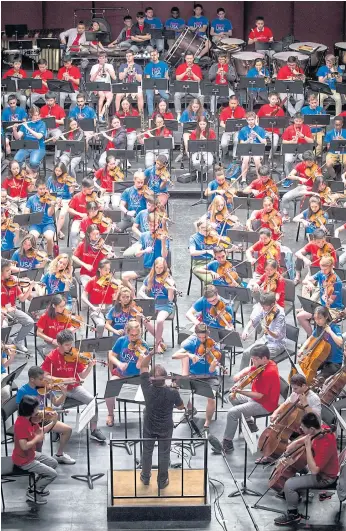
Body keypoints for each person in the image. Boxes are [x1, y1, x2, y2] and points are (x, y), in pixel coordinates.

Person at [273, 412, 339, 526]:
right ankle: (294, 495)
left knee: (289, 484)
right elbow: (308, 437)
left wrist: (308, 447)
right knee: (296, 465)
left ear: (312, 429)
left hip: (324, 477)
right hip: (318, 468)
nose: (300, 428)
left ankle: (293, 515)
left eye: (303, 427)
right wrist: (296, 443)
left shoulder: (326, 444)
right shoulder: (322, 428)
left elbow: (314, 471)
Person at [41, 329, 106, 442]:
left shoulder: (75, 355)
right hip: (59, 388)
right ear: (59, 344)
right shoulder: (51, 357)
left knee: (92, 401)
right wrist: (65, 380)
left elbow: (83, 376)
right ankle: (55, 429)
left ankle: (94, 430)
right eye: (66, 345)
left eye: (71, 344)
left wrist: (89, 366)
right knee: (56, 408)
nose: (70, 347)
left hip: (74, 387)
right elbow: (45, 376)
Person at [215, 344, 280, 453]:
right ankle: (249, 422)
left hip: (264, 404)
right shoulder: (265, 364)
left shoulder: (269, 372)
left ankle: (227, 443)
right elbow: (250, 369)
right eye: (252, 358)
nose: (253, 361)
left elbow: (259, 396)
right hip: (256, 398)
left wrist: (241, 390)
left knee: (232, 413)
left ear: (264, 358)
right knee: (233, 397)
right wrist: (240, 375)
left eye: (256, 359)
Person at [140, 346, 184, 488]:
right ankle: (161, 481)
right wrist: (175, 388)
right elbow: (180, 407)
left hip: (149, 425)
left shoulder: (146, 387)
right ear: (165, 378)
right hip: (165, 426)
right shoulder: (172, 392)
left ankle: (145, 477)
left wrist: (151, 353)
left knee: (147, 450)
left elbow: (144, 365)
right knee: (164, 453)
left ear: (151, 379)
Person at [16, 365, 76, 464]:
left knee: (67, 430)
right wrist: (38, 414)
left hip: (44, 418)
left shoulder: (44, 388)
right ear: (32, 379)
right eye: (40, 379)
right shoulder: (22, 391)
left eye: (44, 378)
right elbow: (21, 413)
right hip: (31, 422)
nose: (44, 381)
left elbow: (56, 403)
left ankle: (59, 454)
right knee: (38, 443)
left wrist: (64, 394)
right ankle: (36, 460)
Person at [12, 395, 58, 505]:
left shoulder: (30, 420)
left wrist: (53, 422)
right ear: (30, 411)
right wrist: (37, 439)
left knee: (53, 463)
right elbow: (24, 446)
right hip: (23, 460)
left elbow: (41, 431)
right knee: (52, 474)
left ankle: (35, 486)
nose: (39, 411)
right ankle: (33, 492)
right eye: (36, 409)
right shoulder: (21, 424)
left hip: (31, 454)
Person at [105, 320, 150, 426]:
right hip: (121, 375)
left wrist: (140, 359)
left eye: (136, 335)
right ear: (127, 332)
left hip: (137, 377)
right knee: (110, 386)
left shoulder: (144, 345)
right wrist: (119, 364)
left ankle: (150, 413)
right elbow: (111, 356)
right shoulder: (121, 341)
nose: (134, 338)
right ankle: (110, 414)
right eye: (131, 335)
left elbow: (141, 367)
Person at [240, 291, 286, 371]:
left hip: (277, 344)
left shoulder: (280, 314)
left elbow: (277, 335)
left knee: (255, 359)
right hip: (265, 339)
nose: (263, 309)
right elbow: (254, 319)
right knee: (246, 353)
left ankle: (254, 380)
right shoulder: (265, 309)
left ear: (272, 305)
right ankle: (241, 379)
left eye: (265, 307)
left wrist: (268, 331)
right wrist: (246, 329)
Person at [298, 256, 343, 336]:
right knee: (300, 316)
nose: (322, 271)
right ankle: (313, 338)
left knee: (320, 320)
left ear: (331, 266)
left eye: (325, 269)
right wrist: (309, 284)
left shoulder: (337, 283)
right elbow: (306, 280)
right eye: (321, 269)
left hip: (333, 309)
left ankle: (319, 338)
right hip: (321, 305)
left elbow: (329, 303)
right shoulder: (321, 273)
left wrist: (326, 292)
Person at [138, 257, 175, 353]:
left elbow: (170, 299)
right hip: (153, 304)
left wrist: (171, 288)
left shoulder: (168, 278)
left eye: (161, 268)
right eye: (157, 267)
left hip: (165, 305)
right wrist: (147, 298)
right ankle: (160, 340)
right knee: (143, 318)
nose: (159, 270)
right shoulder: (150, 277)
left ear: (164, 268)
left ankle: (157, 344)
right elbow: (140, 291)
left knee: (159, 320)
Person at [298, 306, 344, 379]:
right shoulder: (319, 327)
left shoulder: (334, 328)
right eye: (315, 318)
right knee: (303, 370)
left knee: (318, 379)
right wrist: (302, 349)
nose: (317, 321)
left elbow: (340, 343)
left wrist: (330, 331)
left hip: (334, 362)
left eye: (319, 318)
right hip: (323, 359)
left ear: (326, 317)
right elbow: (310, 338)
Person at [81, 259, 121, 338]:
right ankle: (99, 344)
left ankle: (116, 343)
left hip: (109, 307)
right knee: (101, 325)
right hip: (95, 307)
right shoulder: (92, 281)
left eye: (109, 269)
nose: (108, 272)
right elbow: (83, 296)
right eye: (105, 270)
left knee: (119, 322)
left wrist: (118, 288)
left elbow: (115, 298)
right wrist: (92, 307)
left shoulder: (111, 282)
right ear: (99, 269)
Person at [1, 259, 35, 353]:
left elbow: (22, 299)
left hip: (13, 310)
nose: (10, 273)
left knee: (30, 322)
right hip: (2, 313)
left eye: (10, 270)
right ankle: (5, 346)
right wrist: (4, 310)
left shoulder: (13, 281)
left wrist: (30, 288)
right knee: (4, 327)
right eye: (7, 271)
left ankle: (17, 341)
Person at [281, 150, 322, 221]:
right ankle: (286, 216)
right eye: (309, 162)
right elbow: (290, 176)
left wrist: (316, 178)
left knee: (306, 200)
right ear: (304, 161)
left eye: (312, 161)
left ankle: (305, 218)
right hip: (300, 188)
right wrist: (299, 178)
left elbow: (319, 182)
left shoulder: (316, 168)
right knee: (285, 197)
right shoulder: (300, 165)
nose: (311, 163)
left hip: (311, 189)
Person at [24, 178, 58, 258]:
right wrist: (26, 215)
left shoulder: (49, 199)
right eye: (40, 189)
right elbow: (26, 211)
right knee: (33, 236)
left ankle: (49, 255)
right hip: (35, 224)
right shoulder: (31, 199)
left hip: (48, 223)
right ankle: (34, 255)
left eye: (44, 188)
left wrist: (52, 205)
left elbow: (50, 214)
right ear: (36, 188)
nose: (42, 191)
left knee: (50, 237)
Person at [13, 106, 47, 179]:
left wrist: (27, 127)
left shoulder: (42, 124)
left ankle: (34, 172)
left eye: (38, 115)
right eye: (35, 115)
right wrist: (14, 130)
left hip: (38, 147)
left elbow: (39, 136)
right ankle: (31, 172)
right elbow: (17, 137)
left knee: (34, 162)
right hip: (26, 146)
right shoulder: (27, 123)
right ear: (31, 115)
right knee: (16, 160)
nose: (37, 117)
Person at [47, 162, 77, 240]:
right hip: (55, 199)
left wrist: (73, 186)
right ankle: (59, 231)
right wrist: (55, 199)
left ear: (63, 171)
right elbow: (47, 192)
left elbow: (70, 192)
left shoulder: (68, 178)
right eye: (56, 170)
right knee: (50, 213)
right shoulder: (51, 179)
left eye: (59, 171)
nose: (57, 173)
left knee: (62, 214)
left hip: (66, 199)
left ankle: (55, 234)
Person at [281, 114, 314, 185]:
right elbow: (283, 141)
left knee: (307, 160)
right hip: (291, 149)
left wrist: (304, 136)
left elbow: (311, 141)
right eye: (296, 121)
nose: (298, 123)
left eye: (300, 121)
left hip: (303, 149)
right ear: (294, 120)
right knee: (287, 161)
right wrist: (291, 142)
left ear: (302, 121)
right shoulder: (289, 128)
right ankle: (289, 178)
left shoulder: (306, 128)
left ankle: (306, 177)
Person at [238, 111, 266, 186]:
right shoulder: (243, 129)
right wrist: (248, 140)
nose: (251, 121)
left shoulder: (260, 129)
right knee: (246, 159)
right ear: (247, 120)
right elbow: (241, 143)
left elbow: (264, 143)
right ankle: (243, 179)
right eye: (249, 120)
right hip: (246, 148)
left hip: (257, 148)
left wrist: (257, 135)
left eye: (252, 119)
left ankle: (259, 179)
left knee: (257, 160)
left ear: (255, 120)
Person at [173, 52, 204, 120]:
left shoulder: (197, 67)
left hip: (194, 87)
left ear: (193, 59)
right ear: (185, 59)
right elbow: (177, 78)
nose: (189, 60)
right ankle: (178, 114)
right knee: (176, 95)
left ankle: (200, 114)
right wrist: (185, 72)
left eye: (190, 58)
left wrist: (192, 74)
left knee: (201, 96)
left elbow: (199, 80)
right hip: (182, 87)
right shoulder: (181, 67)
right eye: (188, 58)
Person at [67, 176, 96, 247]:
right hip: (78, 220)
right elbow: (69, 209)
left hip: (90, 220)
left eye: (92, 188)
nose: (91, 190)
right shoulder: (76, 197)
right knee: (73, 232)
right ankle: (75, 249)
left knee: (93, 232)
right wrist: (79, 214)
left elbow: (98, 211)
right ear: (83, 188)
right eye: (89, 189)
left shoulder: (94, 197)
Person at [256, 92, 284, 159]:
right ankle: (259, 157)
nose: (274, 101)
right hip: (264, 130)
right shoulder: (263, 107)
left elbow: (282, 121)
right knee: (259, 142)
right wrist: (257, 125)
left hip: (274, 131)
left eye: (275, 99)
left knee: (274, 144)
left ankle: (270, 157)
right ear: (269, 99)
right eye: (272, 99)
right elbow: (257, 116)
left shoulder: (280, 110)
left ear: (277, 100)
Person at [89, 52, 116, 123]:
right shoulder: (94, 67)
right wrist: (98, 71)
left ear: (105, 59)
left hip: (107, 85)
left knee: (110, 97)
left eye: (103, 58)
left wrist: (108, 70)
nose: (101, 59)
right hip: (97, 85)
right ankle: (98, 116)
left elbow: (114, 77)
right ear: (98, 59)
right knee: (102, 96)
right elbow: (91, 79)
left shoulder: (109, 66)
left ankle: (101, 114)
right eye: (100, 58)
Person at [143, 49, 169, 116]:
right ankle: (151, 115)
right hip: (151, 86)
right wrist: (154, 88)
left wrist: (167, 77)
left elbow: (166, 77)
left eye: (154, 55)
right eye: (152, 55)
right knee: (149, 97)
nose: (153, 57)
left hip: (161, 85)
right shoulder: (148, 66)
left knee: (166, 96)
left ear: (158, 55)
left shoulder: (164, 64)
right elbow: (148, 79)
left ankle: (165, 113)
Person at [300, 93, 327, 157]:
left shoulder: (321, 109)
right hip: (307, 131)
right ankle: (308, 157)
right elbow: (301, 121)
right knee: (303, 143)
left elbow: (325, 123)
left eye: (315, 102)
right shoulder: (304, 109)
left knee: (323, 144)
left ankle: (311, 156)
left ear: (317, 102)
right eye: (312, 103)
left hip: (319, 131)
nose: (314, 104)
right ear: (309, 102)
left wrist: (315, 126)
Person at [324, 116, 346, 180]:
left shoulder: (345, 132)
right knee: (328, 164)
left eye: (339, 125)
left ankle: (343, 176)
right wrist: (332, 143)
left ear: (342, 124)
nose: (337, 127)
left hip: (344, 151)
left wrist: (343, 140)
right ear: (334, 124)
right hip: (332, 152)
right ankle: (334, 177)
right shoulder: (329, 133)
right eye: (336, 125)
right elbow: (328, 147)